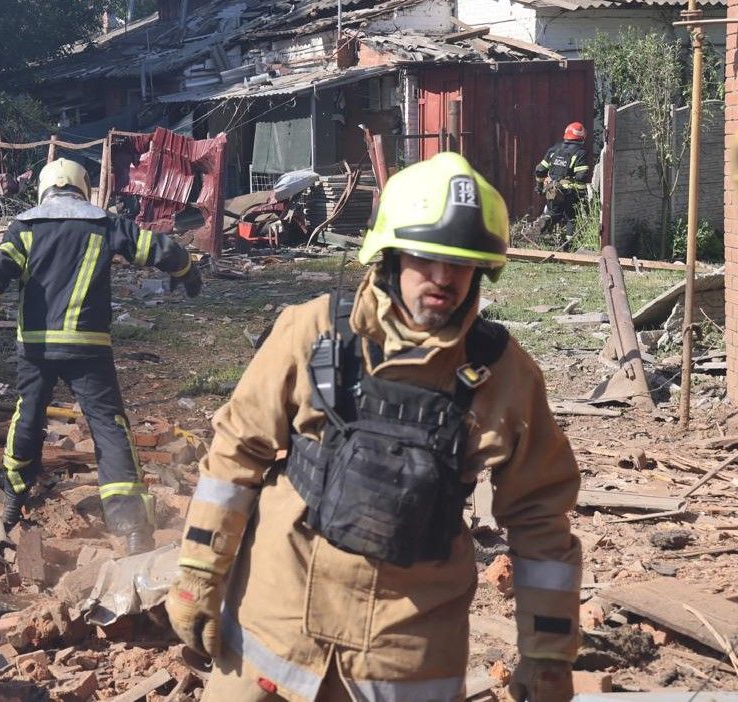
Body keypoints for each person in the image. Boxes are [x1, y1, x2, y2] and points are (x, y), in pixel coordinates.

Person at [165, 152, 582, 701]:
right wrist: (198, 573)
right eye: (425, 257)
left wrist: (547, 651)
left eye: (461, 263)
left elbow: (540, 517)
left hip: (406, 652)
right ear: (388, 255)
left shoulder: (504, 376)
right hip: (276, 628)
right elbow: (234, 458)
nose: (442, 278)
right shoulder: (310, 331)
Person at [0, 158, 203, 554]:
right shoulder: (104, 224)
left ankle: (13, 505)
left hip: (36, 349)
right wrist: (188, 271)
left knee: (28, 418)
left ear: (44, 188)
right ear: (83, 188)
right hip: (89, 347)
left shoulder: (25, 229)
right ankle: (133, 529)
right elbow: (159, 249)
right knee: (109, 427)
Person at [534, 122, 592, 245]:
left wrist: (539, 187)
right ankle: (568, 245)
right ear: (582, 137)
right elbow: (581, 176)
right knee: (571, 218)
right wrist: (582, 194)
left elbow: (540, 170)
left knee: (552, 213)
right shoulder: (580, 152)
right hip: (569, 192)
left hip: (552, 190)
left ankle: (543, 226)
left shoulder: (554, 149)